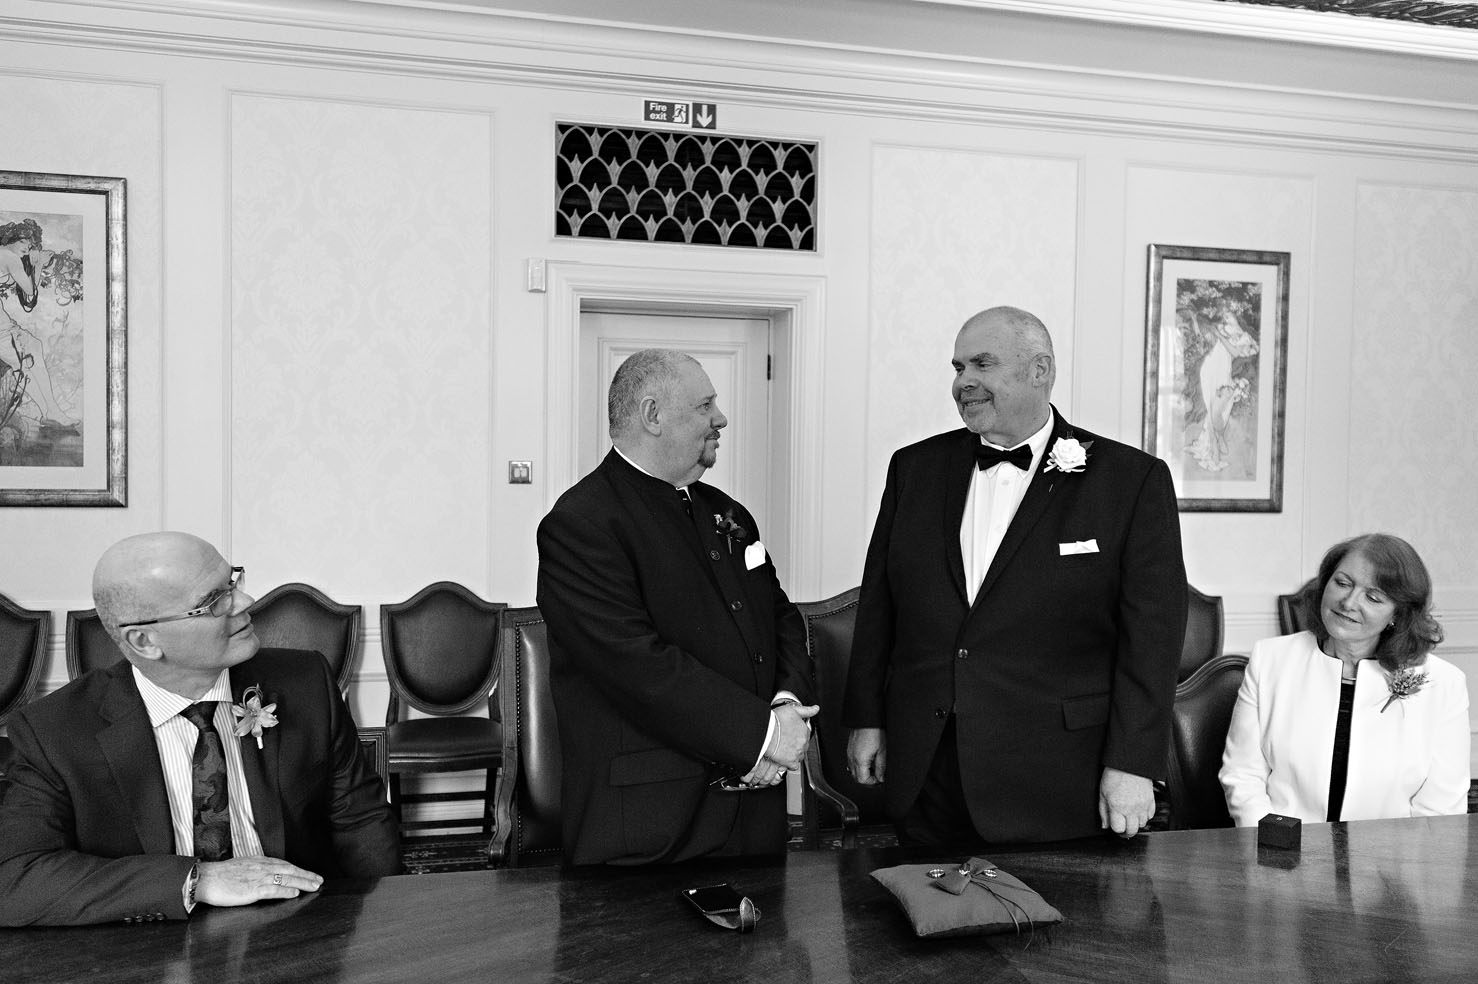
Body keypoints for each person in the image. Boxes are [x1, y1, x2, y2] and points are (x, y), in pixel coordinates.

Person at [843, 305, 1187, 845]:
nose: (965, 383)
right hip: (928, 766)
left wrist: (1134, 764)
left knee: (1057, 928)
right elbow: (882, 603)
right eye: (958, 368)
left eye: (982, 364)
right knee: (920, 918)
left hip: (1057, 775)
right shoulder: (914, 468)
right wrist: (868, 718)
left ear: (1040, 371)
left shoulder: (1130, 481)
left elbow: (1154, 636)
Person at [0, 532, 400, 926]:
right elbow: (14, 879)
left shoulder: (306, 682)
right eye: (213, 602)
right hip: (150, 934)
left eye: (232, 583)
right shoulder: (54, 732)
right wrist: (196, 880)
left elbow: (360, 820)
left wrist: (382, 927)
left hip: (297, 921)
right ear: (144, 640)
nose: (245, 602)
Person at [537, 349, 818, 865]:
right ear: (652, 415)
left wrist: (784, 702)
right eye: (705, 405)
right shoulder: (581, 524)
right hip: (649, 824)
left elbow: (780, 617)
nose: (721, 419)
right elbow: (636, 666)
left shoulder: (729, 514)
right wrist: (762, 735)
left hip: (753, 814)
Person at [1220, 533, 1469, 826]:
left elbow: (1441, 806)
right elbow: (1243, 775)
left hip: (1390, 864)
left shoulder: (1443, 684)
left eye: (1373, 597)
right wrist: (1274, 849)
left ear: (1397, 615)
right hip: (1283, 856)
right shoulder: (1271, 660)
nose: (1349, 602)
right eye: (1342, 583)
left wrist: (1403, 868)